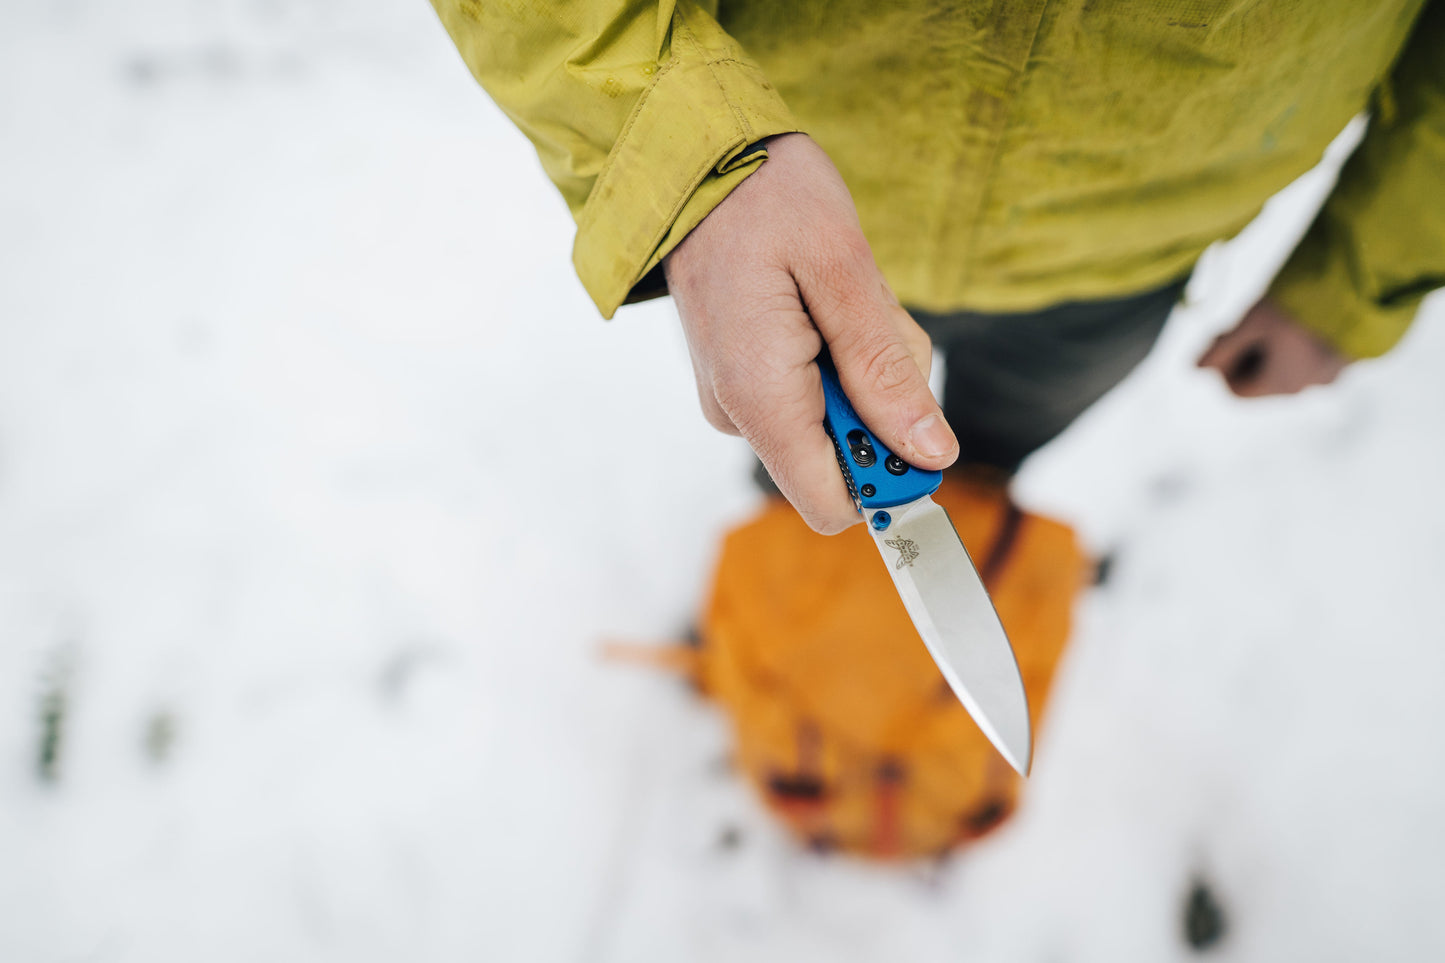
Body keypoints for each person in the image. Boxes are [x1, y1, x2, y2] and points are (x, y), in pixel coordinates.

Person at [428, 1, 1441, 531]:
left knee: (992, 449)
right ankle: (798, 546)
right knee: (803, 466)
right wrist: (691, 158)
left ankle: (981, 499)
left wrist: (1356, 278)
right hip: (786, 228)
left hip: (1118, 261)